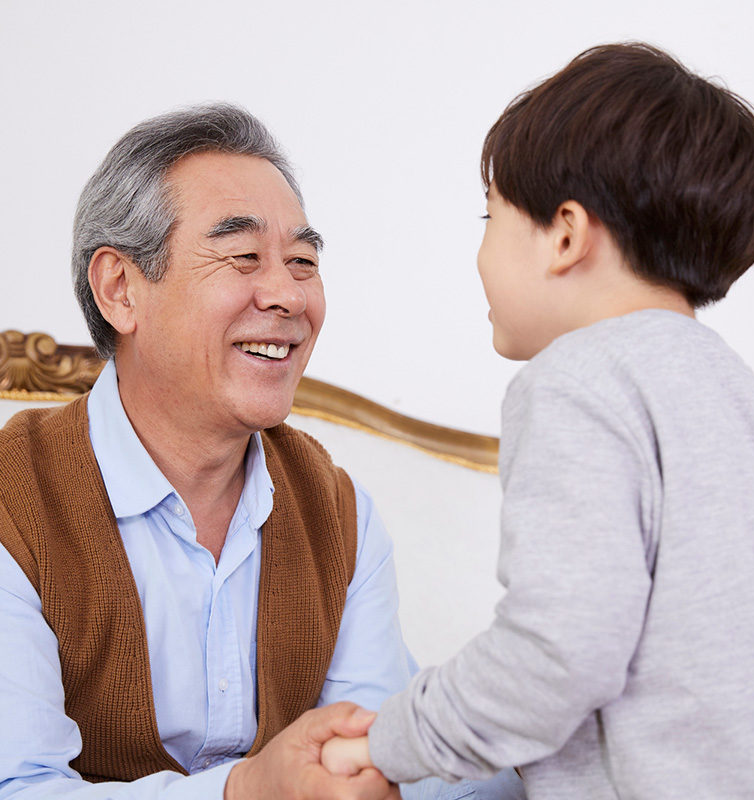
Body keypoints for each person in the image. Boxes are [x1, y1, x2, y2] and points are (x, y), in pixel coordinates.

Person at [0, 104, 522, 800]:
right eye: (242, 256)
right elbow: (18, 787)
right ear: (120, 290)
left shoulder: (339, 513)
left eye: (303, 262)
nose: (286, 295)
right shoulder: (13, 502)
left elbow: (370, 771)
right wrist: (247, 789)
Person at [320, 42, 754, 798]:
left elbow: (556, 652)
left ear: (566, 235)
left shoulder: (577, 383)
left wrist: (390, 742)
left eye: (491, 215)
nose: (481, 250)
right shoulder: (746, 400)